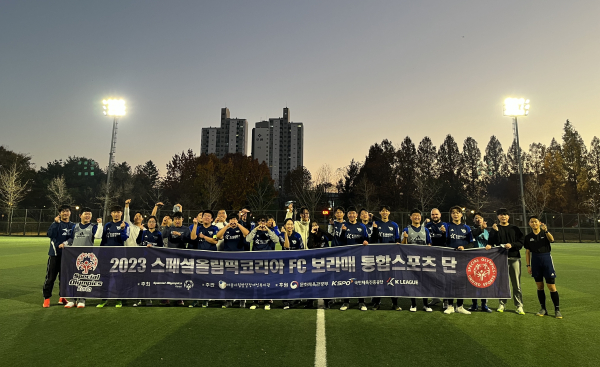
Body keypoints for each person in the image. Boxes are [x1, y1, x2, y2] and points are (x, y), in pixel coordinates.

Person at [60, 207, 103, 308]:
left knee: (84, 279)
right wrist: (64, 243)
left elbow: (98, 236)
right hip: (74, 256)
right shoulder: (75, 227)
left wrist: (100, 224)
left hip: (86, 258)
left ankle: (82, 299)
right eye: (86, 214)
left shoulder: (93, 226)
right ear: (80, 215)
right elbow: (71, 238)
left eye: (89, 214)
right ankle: (72, 299)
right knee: (74, 278)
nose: (88, 216)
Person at [486, 208, 525, 315]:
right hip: (500, 259)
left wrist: (512, 245)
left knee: (516, 284)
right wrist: (495, 232)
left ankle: (519, 305)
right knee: (502, 283)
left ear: (509, 217)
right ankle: (502, 303)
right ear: (498, 217)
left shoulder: (515, 228)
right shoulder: (495, 228)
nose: (503, 216)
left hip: (514, 258)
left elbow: (521, 242)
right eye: (501, 215)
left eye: (505, 215)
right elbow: (491, 243)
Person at [524, 216, 562, 319]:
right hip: (535, 261)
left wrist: (546, 231)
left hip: (546, 260)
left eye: (535, 222)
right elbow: (527, 252)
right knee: (540, 287)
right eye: (532, 222)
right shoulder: (528, 237)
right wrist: (528, 265)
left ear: (539, 223)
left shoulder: (544, 233)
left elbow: (552, 240)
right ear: (529, 224)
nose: (534, 223)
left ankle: (557, 310)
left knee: (551, 287)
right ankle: (543, 309)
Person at [443, 206, 474, 315]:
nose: (455, 214)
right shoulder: (446, 226)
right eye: (453, 213)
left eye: (458, 212)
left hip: (463, 258)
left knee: (461, 282)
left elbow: (472, 243)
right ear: (451, 215)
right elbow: (444, 242)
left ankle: (460, 306)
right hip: (450, 258)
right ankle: (450, 306)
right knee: (450, 282)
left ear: (461, 214)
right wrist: (443, 233)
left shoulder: (467, 228)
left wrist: (464, 248)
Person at [43, 205, 75, 308]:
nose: (65, 213)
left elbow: (73, 238)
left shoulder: (72, 225)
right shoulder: (56, 224)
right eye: (63, 211)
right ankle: (47, 298)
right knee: (50, 278)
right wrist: (56, 223)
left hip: (67, 256)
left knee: (64, 278)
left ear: (70, 213)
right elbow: (50, 234)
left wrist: (65, 243)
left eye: (67, 211)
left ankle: (62, 297)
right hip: (55, 254)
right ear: (60, 213)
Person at [215, 213, 250, 308]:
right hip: (228, 258)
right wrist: (227, 226)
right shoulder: (226, 229)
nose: (233, 221)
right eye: (231, 219)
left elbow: (247, 234)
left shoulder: (240, 229)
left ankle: (242, 300)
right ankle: (229, 300)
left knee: (240, 279)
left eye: (234, 219)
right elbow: (218, 236)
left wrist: (238, 224)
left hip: (240, 258)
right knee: (228, 280)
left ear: (237, 220)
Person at [98, 205, 130, 308]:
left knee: (118, 277)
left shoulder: (125, 225)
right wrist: (100, 253)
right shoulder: (107, 225)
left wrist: (122, 229)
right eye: (114, 212)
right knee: (105, 277)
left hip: (118, 255)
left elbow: (124, 238)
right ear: (111, 214)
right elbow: (103, 240)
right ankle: (104, 299)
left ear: (121, 214)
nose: (116, 214)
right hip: (107, 255)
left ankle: (119, 299)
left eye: (118, 212)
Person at [245, 215, 280, 310]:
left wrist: (268, 230)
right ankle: (255, 301)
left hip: (267, 260)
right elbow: (247, 239)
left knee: (267, 281)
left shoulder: (270, 231)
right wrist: (256, 229)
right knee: (256, 282)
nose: (262, 223)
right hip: (256, 260)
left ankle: (267, 301)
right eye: (260, 221)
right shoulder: (255, 231)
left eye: (264, 221)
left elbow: (276, 240)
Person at [401, 209, 433, 312]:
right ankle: (413, 304)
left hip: (423, 260)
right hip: (411, 260)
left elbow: (429, 244)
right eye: (414, 215)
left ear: (421, 217)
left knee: (424, 283)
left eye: (418, 215)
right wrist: (405, 238)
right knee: (412, 282)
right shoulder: (406, 229)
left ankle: (425, 304)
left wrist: (429, 247)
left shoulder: (425, 230)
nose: (417, 217)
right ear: (410, 217)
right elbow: (402, 245)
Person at [371, 205, 401, 310]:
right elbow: (373, 240)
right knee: (378, 280)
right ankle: (376, 302)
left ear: (389, 213)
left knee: (391, 280)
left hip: (391, 257)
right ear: (379, 212)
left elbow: (398, 240)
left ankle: (395, 303)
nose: (385, 212)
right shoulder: (375, 224)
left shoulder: (394, 225)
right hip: (378, 257)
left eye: (387, 211)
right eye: (383, 211)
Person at [339, 206, 369, 311]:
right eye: (350, 213)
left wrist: (365, 242)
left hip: (359, 257)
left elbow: (366, 239)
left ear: (356, 215)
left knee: (359, 280)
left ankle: (361, 302)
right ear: (347, 215)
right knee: (346, 280)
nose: (352, 215)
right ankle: (346, 302)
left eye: (353, 213)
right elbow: (341, 242)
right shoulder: (344, 225)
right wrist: (343, 232)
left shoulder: (362, 226)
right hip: (347, 257)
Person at [190, 210, 219, 308]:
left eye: (209, 216)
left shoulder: (215, 228)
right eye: (205, 216)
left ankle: (206, 299)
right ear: (201, 218)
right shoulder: (198, 227)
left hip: (211, 257)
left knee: (208, 279)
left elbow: (215, 241)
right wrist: (194, 225)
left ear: (212, 219)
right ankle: (196, 300)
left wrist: (204, 237)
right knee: (197, 279)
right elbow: (193, 237)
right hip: (199, 258)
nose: (206, 217)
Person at [133, 215, 163, 307]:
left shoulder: (158, 234)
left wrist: (153, 248)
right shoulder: (144, 232)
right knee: (140, 279)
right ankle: (139, 299)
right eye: (149, 221)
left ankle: (148, 298)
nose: (151, 223)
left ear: (155, 223)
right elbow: (138, 242)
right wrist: (141, 231)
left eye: (153, 221)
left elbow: (161, 247)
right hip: (143, 260)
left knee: (150, 280)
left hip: (153, 260)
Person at [468, 212, 492, 313]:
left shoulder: (487, 232)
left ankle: (484, 304)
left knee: (484, 282)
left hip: (484, 260)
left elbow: (491, 242)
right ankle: (474, 304)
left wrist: (490, 245)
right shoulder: (470, 229)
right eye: (476, 218)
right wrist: (481, 228)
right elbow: (473, 234)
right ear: (473, 220)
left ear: (483, 219)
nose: (478, 219)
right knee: (474, 282)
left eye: (480, 218)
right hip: (473, 260)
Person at [425, 208, 448, 308]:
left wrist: (444, 233)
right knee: (432, 278)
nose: (435, 216)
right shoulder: (427, 226)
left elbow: (447, 240)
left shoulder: (445, 225)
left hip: (443, 254)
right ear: (431, 216)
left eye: (436, 214)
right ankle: (435, 298)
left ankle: (446, 300)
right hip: (431, 255)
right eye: (433, 214)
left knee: (444, 278)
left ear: (440, 215)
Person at [280, 218, 304, 310]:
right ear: (285, 226)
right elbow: (286, 247)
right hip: (285, 264)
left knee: (296, 281)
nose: (290, 226)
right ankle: (285, 302)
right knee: (286, 282)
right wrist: (285, 234)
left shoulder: (297, 235)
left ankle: (295, 299)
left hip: (296, 263)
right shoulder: (281, 235)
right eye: (288, 224)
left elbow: (301, 249)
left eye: (291, 224)